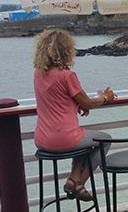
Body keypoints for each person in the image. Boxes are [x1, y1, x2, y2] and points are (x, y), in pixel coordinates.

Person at [33, 28, 116, 201]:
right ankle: (79, 183)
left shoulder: (38, 74)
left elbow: (58, 97)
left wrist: (75, 104)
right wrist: (106, 98)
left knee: (84, 139)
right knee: (105, 140)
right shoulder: (67, 75)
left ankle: (72, 179)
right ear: (66, 51)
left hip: (41, 139)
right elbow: (87, 102)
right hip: (65, 139)